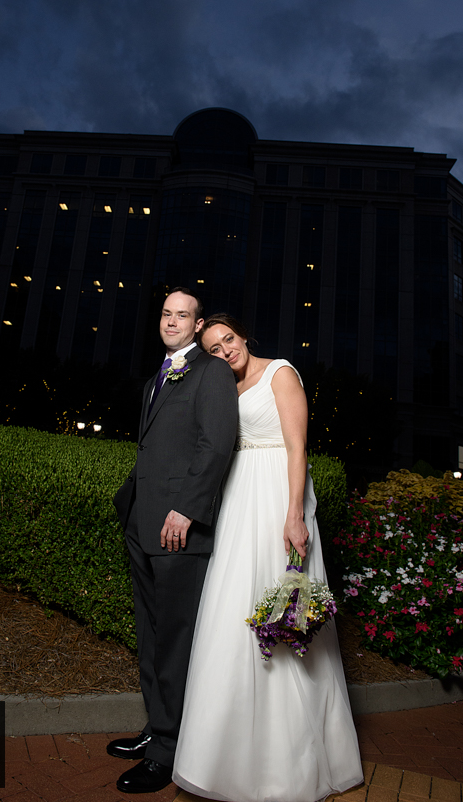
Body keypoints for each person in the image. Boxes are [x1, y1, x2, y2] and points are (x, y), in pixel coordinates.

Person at [173, 314, 363, 802]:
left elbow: (298, 446)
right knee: (231, 615)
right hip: (239, 503)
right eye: (213, 348)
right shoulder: (224, 388)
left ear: (243, 336)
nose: (225, 352)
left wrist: (295, 513)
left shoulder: (281, 372)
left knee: (284, 615)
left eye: (228, 340)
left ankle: (289, 762)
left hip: (278, 498)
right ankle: (226, 756)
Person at [109, 290, 238, 794]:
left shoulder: (211, 372)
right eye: (165, 312)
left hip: (178, 527)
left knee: (176, 643)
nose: (171, 321)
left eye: (182, 315)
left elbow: (216, 443)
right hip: (142, 524)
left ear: (196, 322)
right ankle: (155, 728)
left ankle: (168, 751)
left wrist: (185, 509)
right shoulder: (155, 378)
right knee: (151, 636)